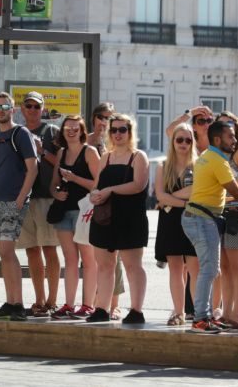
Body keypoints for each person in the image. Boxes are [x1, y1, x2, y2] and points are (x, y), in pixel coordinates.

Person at [182, 120, 238, 333]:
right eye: (230, 136)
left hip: (199, 217)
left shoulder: (207, 156)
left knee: (209, 269)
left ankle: (204, 316)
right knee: (209, 269)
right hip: (202, 218)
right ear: (217, 139)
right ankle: (200, 319)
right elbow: (237, 192)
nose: (234, 140)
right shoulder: (218, 161)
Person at [86, 114, 150, 325]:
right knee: (104, 265)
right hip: (105, 218)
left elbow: (138, 185)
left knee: (133, 266)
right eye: (114, 130)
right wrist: (95, 194)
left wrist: (109, 190)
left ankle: (136, 310)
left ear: (130, 132)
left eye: (123, 130)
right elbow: (97, 184)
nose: (118, 134)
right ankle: (102, 308)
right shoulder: (106, 157)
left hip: (130, 219)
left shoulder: (138, 156)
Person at [0, 92, 38, 322]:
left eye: (5, 106)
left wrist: (20, 200)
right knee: (3, 254)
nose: (1, 109)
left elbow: (32, 168)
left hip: (12, 201)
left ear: (13, 109)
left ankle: (18, 305)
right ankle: (10, 301)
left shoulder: (20, 133)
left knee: (8, 252)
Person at [48, 115, 101, 320]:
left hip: (84, 211)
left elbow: (98, 184)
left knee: (88, 260)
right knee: (70, 260)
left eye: (75, 128)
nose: (71, 131)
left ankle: (88, 305)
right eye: (67, 128)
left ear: (82, 131)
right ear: (62, 132)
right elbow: (54, 182)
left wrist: (74, 178)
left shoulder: (90, 152)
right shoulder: (61, 153)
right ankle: (69, 304)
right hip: (64, 210)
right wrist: (55, 193)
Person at [16, 91, 61, 317]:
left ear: (42, 110)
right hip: (24, 198)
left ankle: (52, 300)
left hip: (46, 196)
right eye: (29, 106)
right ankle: (39, 300)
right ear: (22, 109)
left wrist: (42, 151)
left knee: (50, 248)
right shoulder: (17, 132)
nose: (32, 110)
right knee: (32, 251)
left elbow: (62, 163)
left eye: (36, 106)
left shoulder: (51, 131)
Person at [153, 123, 198, 326]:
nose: (183, 143)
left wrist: (168, 199)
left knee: (195, 268)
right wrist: (181, 202)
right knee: (175, 269)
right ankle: (178, 312)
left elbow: (195, 192)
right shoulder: (163, 165)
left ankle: (199, 313)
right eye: (179, 139)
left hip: (193, 219)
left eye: (188, 140)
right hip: (170, 222)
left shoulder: (198, 165)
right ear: (173, 141)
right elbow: (159, 195)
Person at [216, 111, 238, 329]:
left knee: (237, 266)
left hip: (237, 215)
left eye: (230, 125)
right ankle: (227, 311)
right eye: (220, 126)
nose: (226, 130)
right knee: (225, 267)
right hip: (218, 212)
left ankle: (236, 314)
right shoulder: (216, 153)